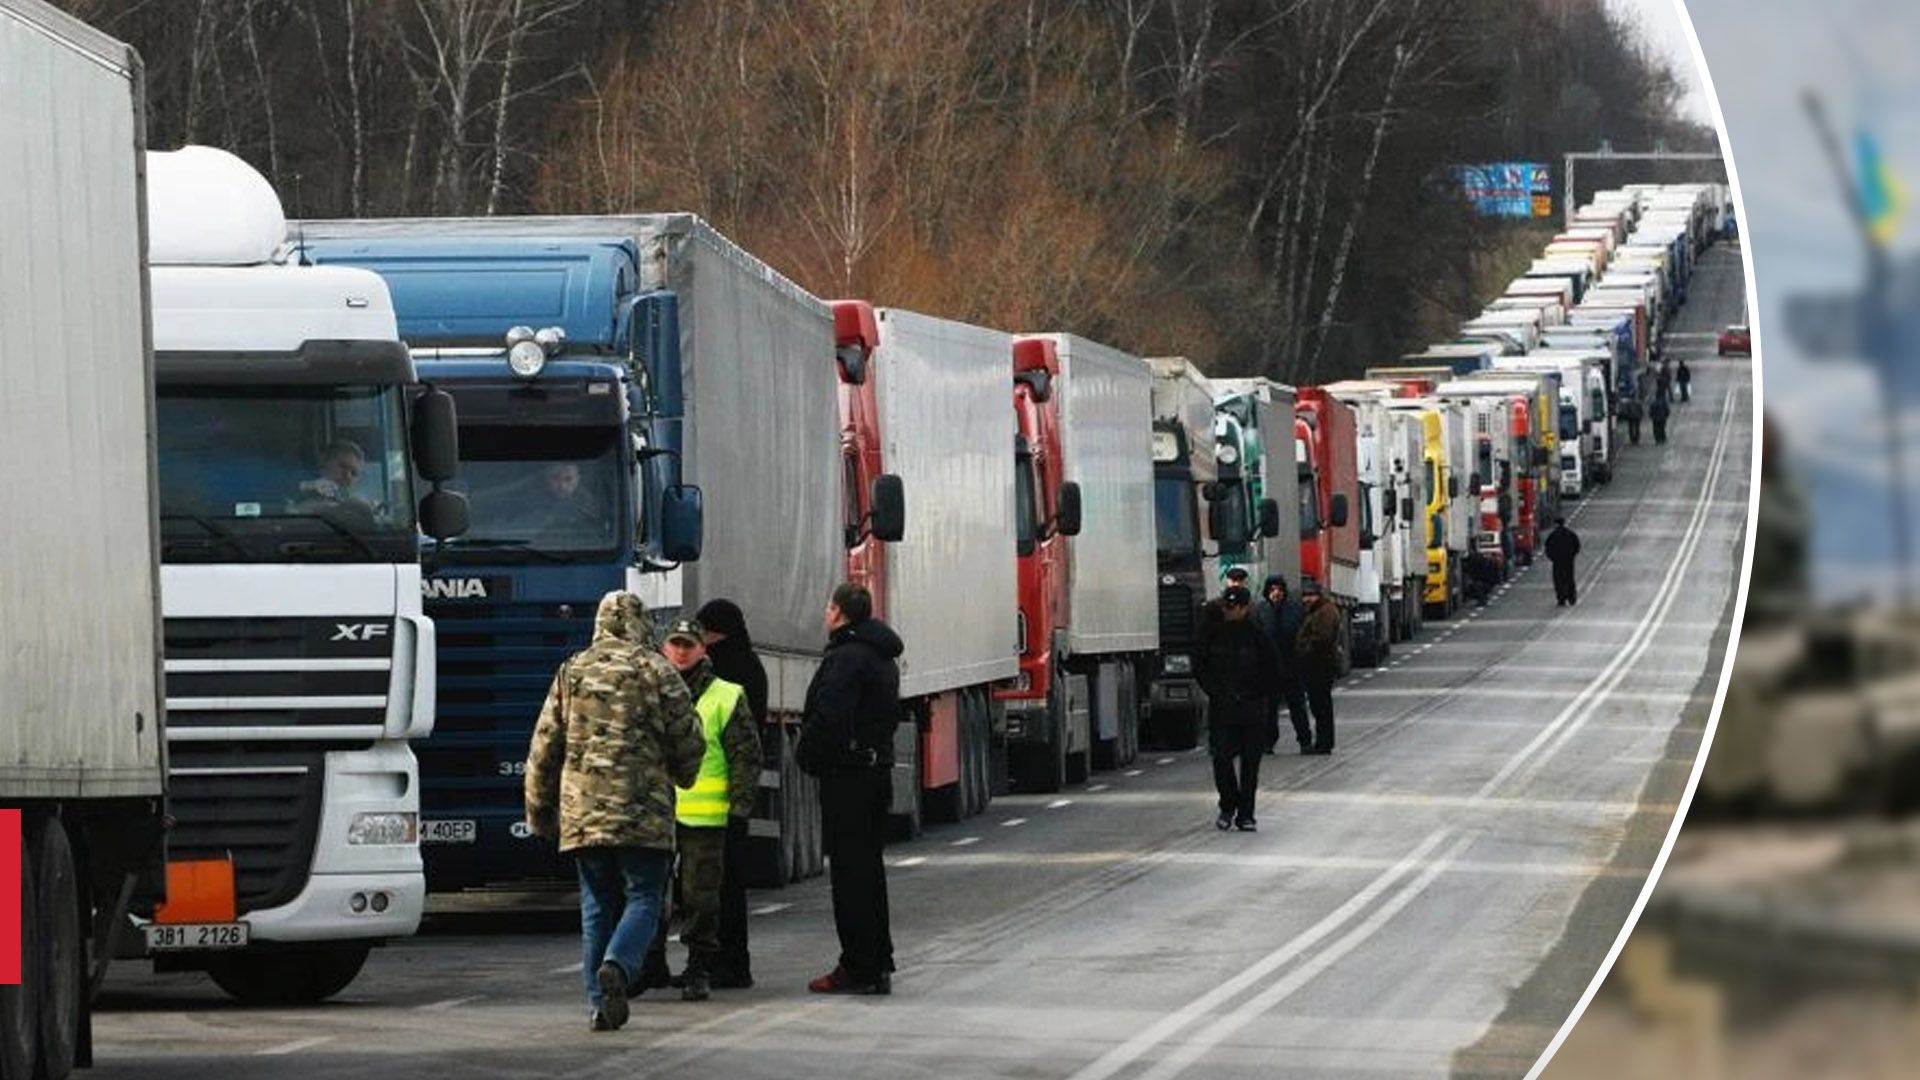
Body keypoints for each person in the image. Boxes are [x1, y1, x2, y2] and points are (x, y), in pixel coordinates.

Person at [523, 591, 705, 1032]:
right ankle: (619, 965)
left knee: (596, 905)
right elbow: (688, 738)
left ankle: (599, 1006)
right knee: (644, 897)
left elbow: (544, 747)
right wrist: (684, 775)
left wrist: (539, 812)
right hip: (644, 812)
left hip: (583, 814)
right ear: (642, 625)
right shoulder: (657, 670)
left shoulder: (572, 671)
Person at [638, 618, 762, 1002]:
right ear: (664, 649)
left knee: (701, 897)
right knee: (650, 893)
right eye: (675, 644)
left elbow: (746, 757)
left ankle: (699, 967)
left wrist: (739, 809)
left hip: (706, 817)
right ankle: (651, 963)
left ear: (702, 650)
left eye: (688, 645)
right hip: (657, 813)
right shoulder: (647, 693)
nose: (681, 652)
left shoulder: (726, 695)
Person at [796, 583, 903, 995]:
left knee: (849, 876)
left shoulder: (846, 659)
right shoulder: (882, 656)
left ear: (840, 613)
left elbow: (830, 718)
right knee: (870, 872)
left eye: (829, 607)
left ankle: (858, 966)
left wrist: (809, 755)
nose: (825, 613)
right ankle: (877, 961)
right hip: (876, 772)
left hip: (849, 777)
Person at [694, 598, 767, 989]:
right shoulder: (751, 666)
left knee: (718, 887)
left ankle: (726, 962)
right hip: (733, 794)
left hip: (714, 796)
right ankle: (732, 961)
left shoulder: (722, 672)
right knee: (728, 884)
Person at [1197, 584, 1281, 830]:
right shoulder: (1213, 634)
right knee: (1221, 760)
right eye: (1226, 606)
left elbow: (1273, 671)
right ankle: (1228, 804)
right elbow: (1200, 665)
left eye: (1233, 607)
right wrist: (1214, 691)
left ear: (1245, 608)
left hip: (1251, 711)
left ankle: (1246, 814)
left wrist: (1254, 692)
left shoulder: (1258, 636)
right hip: (1222, 710)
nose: (1229, 611)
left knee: (1250, 766)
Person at [1254, 575, 1310, 753]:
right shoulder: (1260, 610)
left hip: (1291, 666)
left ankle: (1305, 741)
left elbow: (1302, 634)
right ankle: (1267, 742)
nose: (1276, 593)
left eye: (1279, 589)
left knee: (1297, 706)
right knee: (1269, 709)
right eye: (1272, 590)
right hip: (1269, 668)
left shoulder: (1294, 610)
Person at [1295, 578, 1342, 755]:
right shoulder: (1316, 611)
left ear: (1318, 596)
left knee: (1321, 706)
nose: (1307, 599)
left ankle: (1324, 742)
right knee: (1318, 705)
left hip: (1320, 665)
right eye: (1305, 595)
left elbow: (1322, 638)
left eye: (1311, 595)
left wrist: (1303, 648)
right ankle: (1323, 741)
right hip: (1316, 664)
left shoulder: (1325, 612)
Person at [1543, 517, 1583, 607]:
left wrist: (1552, 558)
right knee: (1569, 578)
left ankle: (1561, 598)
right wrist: (1572, 555)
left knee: (1558, 580)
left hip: (1557, 561)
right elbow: (1577, 545)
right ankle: (1572, 597)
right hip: (1569, 560)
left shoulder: (1553, 535)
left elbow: (1547, 547)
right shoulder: (1571, 534)